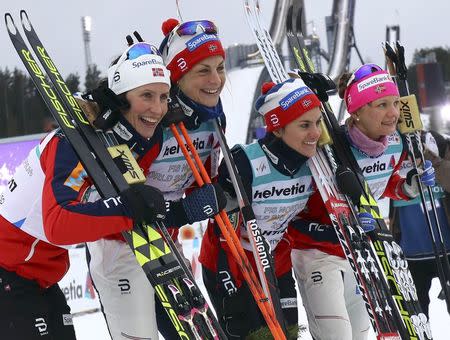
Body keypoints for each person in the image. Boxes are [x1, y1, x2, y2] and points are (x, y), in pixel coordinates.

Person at [0, 41, 172, 340]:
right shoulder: (75, 144)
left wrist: (174, 211)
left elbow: (114, 217)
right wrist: (128, 207)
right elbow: (59, 223)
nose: (157, 109)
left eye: (164, 97)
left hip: (40, 277)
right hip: (10, 274)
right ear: (120, 98)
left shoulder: (129, 142)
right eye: (146, 95)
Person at [85, 19, 229, 340]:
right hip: (120, 243)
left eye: (220, 68)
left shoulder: (212, 120)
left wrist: (214, 195)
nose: (215, 80)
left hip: (164, 242)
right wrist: (182, 211)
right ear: (177, 74)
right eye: (202, 71)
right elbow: (118, 187)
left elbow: (201, 181)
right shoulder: (151, 115)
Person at [288, 63, 436, 340]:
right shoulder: (327, 148)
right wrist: (340, 225)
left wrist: (408, 187)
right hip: (317, 253)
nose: (393, 113)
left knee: (359, 333)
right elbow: (295, 207)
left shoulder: (395, 144)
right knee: (337, 335)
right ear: (356, 112)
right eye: (380, 105)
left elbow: (382, 185)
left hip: (360, 251)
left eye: (394, 103)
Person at [199, 77, 323, 339]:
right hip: (232, 261)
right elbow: (221, 231)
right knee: (252, 335)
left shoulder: (315, 164)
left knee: (286, 333)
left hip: (274, 261)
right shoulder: (245, 162)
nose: (316, 133)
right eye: (304, 125)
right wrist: (231, 285)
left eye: (318, 122)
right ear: (277, 129)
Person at [391, 130, 450, 317]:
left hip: (447, 249)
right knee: (417, 316)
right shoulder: (386, 145)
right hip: (410, 253)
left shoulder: (435, 140)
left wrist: (429, 156)